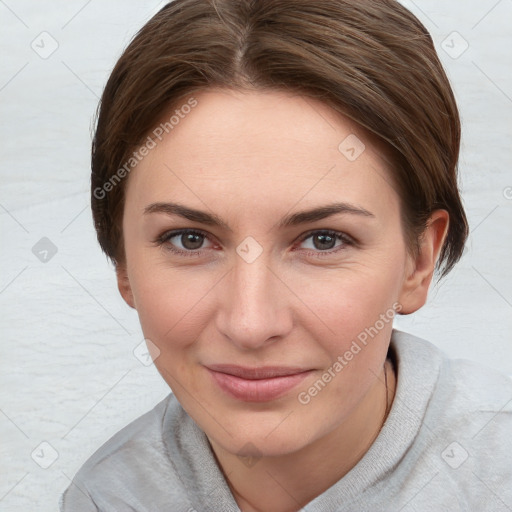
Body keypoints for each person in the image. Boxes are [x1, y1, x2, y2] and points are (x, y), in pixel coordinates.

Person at [60, 1, 512, 510]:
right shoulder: (107, 497)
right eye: (189, 239)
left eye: (324, 240)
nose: (250, 324)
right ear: (122, 262)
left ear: (418, 262)